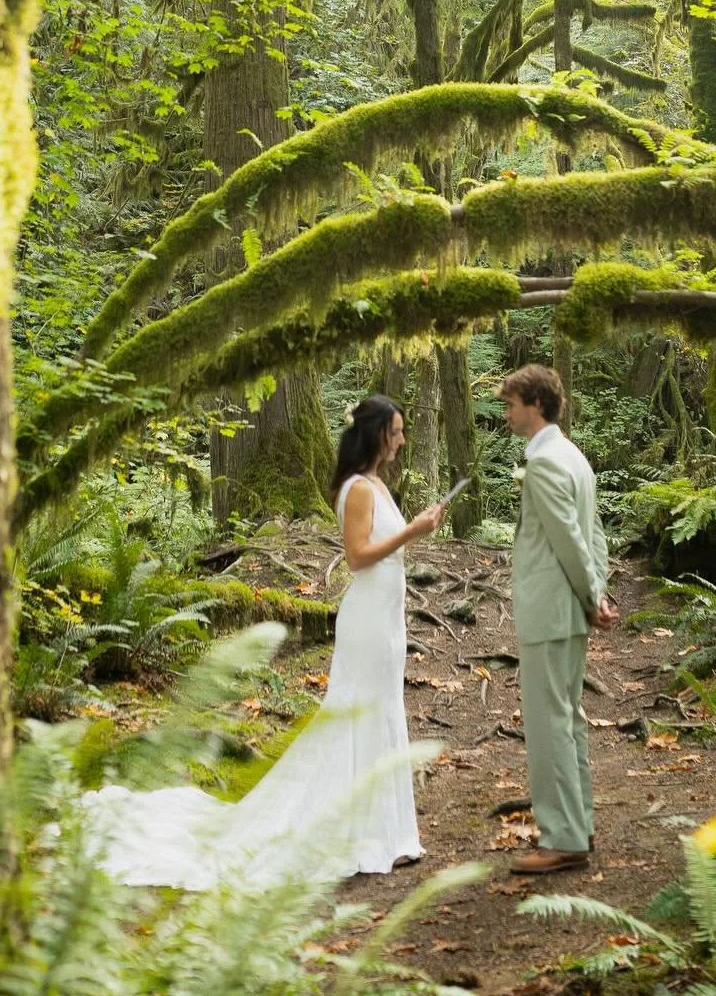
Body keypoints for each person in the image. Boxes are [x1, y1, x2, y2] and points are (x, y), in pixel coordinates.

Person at [79, 394, 445, 887]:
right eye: (397, 432)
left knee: (384, 709)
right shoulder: (357, 488)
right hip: (367, 620)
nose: (402, 440)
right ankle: (358, 834)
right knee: (360, 712)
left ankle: (385, 829)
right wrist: (413, 531)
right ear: (377, 434)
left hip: (387, 617)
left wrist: (414, 529)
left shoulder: (377, 483)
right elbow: (358, 557)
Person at [500, 363, 618, 876]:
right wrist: (597, 591)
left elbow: (571, 538)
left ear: (536, 404)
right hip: (569, 606)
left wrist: (593, 595)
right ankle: (579, 822)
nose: (505, 412)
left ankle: (562, 837)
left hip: (551, 607)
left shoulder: (546, 462)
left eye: (511, 403)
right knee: (568, 719)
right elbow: (595, 536)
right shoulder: (572, 456)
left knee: (550, 724)